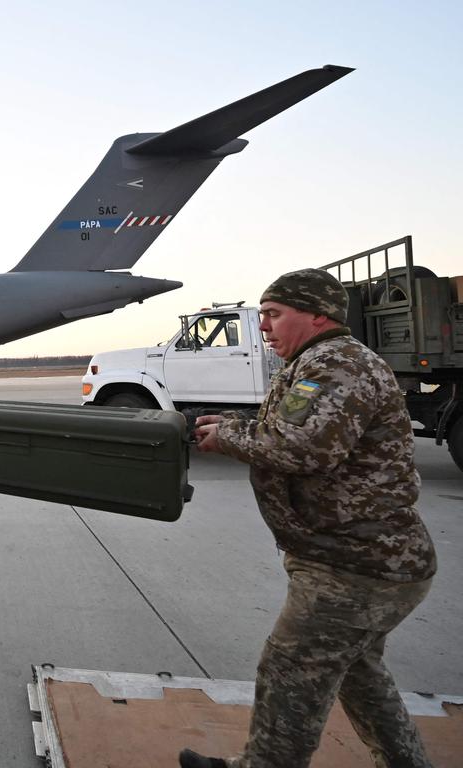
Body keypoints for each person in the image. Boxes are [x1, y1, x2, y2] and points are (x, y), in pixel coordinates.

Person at [180, 269, 437, 768]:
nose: (263, 327)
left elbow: (304, 450)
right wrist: (235, 425)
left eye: (274, 315)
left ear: (318, 315)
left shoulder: (336, 365)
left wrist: (230, 438)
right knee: (360, 676)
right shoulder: (319, 361)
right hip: (364, 558)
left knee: (291, 671)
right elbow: (295, 432)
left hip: (354, 566)